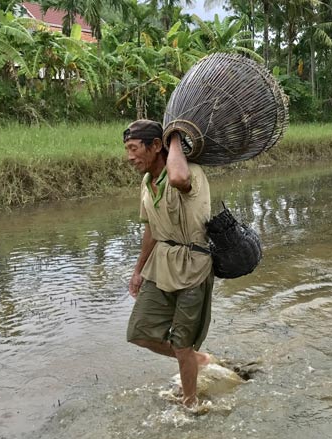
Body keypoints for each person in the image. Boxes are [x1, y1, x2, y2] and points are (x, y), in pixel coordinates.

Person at [123, 119, 214, 410]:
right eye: (127, 149)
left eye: (134, 148)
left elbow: (178, 179)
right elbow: (151, 228)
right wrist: (138, 270)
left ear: (156, 146)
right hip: (161, 266)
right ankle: (196, 361)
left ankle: (190, 405)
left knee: (181, 342)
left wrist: (174, 133)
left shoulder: (191, 173)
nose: (129, 156)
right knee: (139, 331)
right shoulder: (147, 183)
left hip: (193, 267)